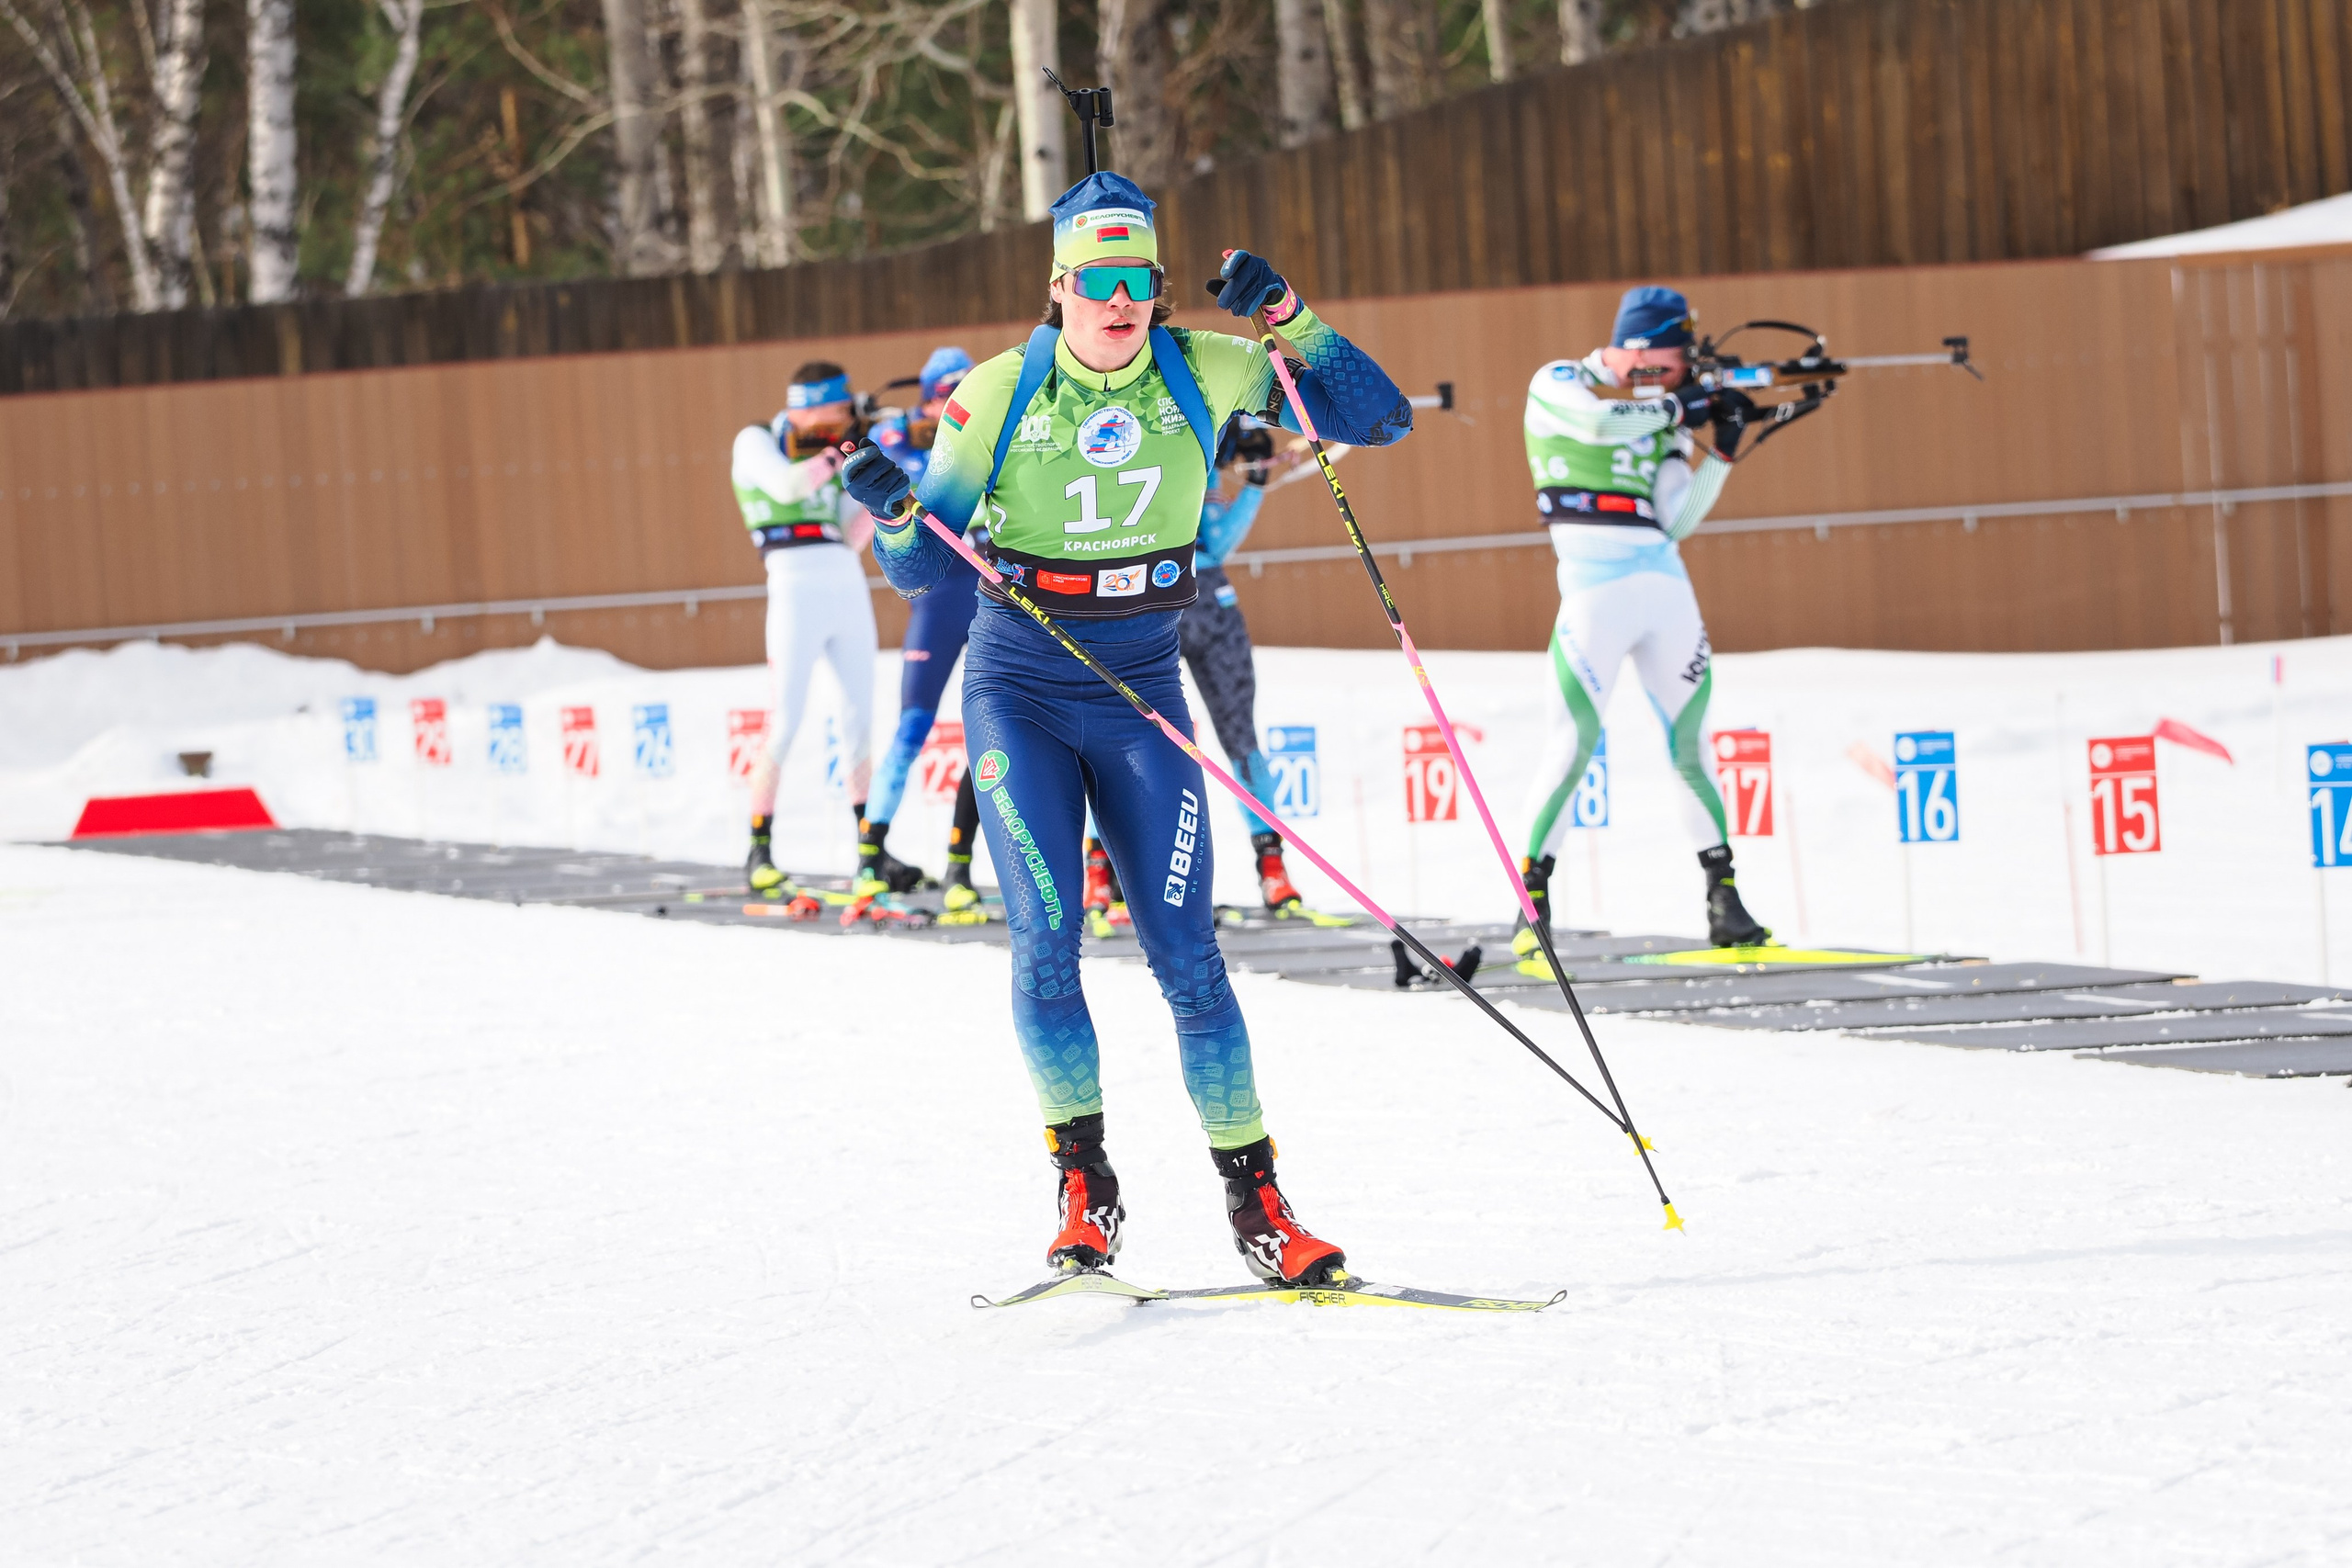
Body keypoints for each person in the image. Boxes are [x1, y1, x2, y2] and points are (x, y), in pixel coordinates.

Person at [840, 170, 1411, 1285]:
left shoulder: (1207, 364)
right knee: (1047, 942)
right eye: (1097, 280)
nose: (1120, 301)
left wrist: (1287, 312)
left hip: (1143, 691)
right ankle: (1084, 1188)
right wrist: (894, 511)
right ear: (1058, 286)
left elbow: (1375, 419)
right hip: (1021, 690)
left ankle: (1260, 1206)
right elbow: (917, 571)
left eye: (1138, 280)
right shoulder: (997, 394)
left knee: (1189, 957)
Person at [1514, 285, 1769, 958]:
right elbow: (1600, 426)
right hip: (1594, 593)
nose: (1685, 370)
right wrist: (1681, 407)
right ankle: (1532, 903)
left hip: (1665, 588)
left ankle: (1725, 899)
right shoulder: (1559, 381)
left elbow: (1678, 518)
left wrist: (1723, 449)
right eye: (1679, 356)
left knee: (1692, 748)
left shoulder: (1662, 412)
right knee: (1571, 746)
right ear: (1644, 349)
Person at [731, 362, 877, 908]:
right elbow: (788, 486)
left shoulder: (830, 449)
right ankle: (759, 851)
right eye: (839, 412)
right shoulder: (755, 440)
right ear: (814, 406)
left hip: (844, 580)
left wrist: (877, 484)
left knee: (859, 720)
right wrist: (835, 454)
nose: (844, 421)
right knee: (786, 720)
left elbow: (849, 533)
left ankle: (869, 853)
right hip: (792, 584)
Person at [860, 346, 989, 919]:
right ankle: (869, 859)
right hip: (938, 595)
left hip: (987, 585)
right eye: (944, 396)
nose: (953, 404)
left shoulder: (982, 426)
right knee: (912, 727)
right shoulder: (900, 435)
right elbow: (883, 462)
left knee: (990, 730)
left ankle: (959, 867)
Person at [1179, 420, 1314, 913]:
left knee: (1241, 738)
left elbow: (1216, 544)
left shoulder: (1206, 447)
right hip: (1146, 601)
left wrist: (1254, 480)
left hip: (1206, 600)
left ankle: (1272, 865)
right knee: (1124, 739)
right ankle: (1101, 870)